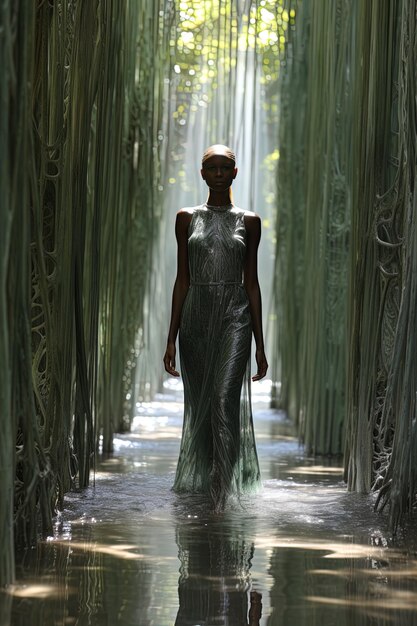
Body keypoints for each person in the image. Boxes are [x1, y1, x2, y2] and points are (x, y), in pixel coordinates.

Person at [163, 144, 268, 511]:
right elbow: (182, 280)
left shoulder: (249, 221)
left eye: (226, 168)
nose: (220, 173)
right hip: (196, 318)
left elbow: (252, 283)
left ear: (235, 173)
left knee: (225, 400)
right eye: (213, 168)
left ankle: (223, 491)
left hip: (235, 317)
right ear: (203, 173)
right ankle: (209, 484)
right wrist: (171, 337)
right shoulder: (186, 218)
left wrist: (260, 344)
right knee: (203, 405)